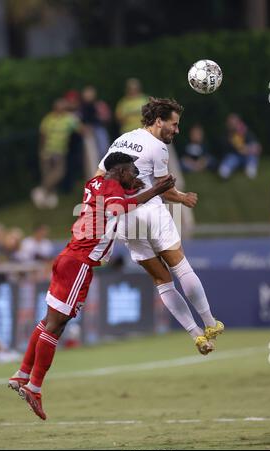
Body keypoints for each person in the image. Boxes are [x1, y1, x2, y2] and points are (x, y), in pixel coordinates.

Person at [8, 152, 175, 420]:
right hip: (79, 262)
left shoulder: (93, 183)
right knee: (57, 325)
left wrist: (142, 187)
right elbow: (123, 206)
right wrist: (156, 189)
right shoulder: (111, 189)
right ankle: (35, 387)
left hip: (67, 257)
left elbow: (121, 196)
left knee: (48, 320)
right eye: (131, 171)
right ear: (120, 172)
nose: (134, 175)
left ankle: (23, 373)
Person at [96, 97, 224, 355]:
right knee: (180, 265)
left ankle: (196, 336)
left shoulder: (120, 140)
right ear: (158, 121)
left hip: (124, 218)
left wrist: (102, 217)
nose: (176, 130)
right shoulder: (158, 147)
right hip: (150, 212)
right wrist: (184, 197)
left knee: (161, 280)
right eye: (173, 125)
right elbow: (165, 189)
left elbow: (98, 179)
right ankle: (210, 324)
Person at [218, 113, 261, 180]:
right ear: (227, 124)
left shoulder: (246, 132)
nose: (232, 125)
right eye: (230, 123)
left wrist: (248, 149)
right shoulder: (225, 135)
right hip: (234, 157)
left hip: (247, 156)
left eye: (234, 122)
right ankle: (225, 170)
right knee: (228, 163)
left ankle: (250, 169)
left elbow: (257, 147)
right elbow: (225, 150)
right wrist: (236, 145)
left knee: (252, 155)